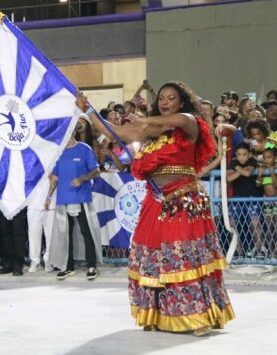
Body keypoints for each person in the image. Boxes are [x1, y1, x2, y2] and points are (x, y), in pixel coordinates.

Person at [78, 81, 234, 335]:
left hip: (184, 202)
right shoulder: (152, 131)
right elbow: (114, 130)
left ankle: (198, 316)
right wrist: (88, 110)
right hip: (156, 202)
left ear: (180, 102)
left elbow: (182, 119)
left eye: (171, 98)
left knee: (183, 256)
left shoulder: (191, 124)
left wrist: (147, 123)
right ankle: (157, 314)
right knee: (152, 258)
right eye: (161, 97)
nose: (164, 101)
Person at [46, 122, 102, 280]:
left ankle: (92, 265)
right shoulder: (59, 153)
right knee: (65, 234)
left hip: (81, 198)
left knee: (86, 231)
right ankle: (68, 266)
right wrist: (49, 196)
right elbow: (55, 177)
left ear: (73, 133)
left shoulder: (84, 149)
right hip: (63, 199)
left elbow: (96, 171)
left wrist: (82, 178)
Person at [226, 143, 265, 258]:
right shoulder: (233, 162)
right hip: (238, 197)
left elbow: (248, 173)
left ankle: (259, 249)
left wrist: (237, 169)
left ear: (249, 154)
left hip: (252, 196)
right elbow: (229, 178)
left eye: (244, 154)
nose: (242, 157)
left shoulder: (252, 161)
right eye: (239, 155)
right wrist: (241, 169)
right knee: (231, 223)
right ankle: (238, 251)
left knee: (255, 223)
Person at [256, 144, 277, 258]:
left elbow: (276, 185)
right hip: (266, 199)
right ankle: (270, 251)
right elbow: (257, 185)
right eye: (265, 157)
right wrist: (260, 176)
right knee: (268, 226)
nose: (266, 160)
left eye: (269, 157)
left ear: (275, 157)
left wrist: (272, 172)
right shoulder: (262, 169)